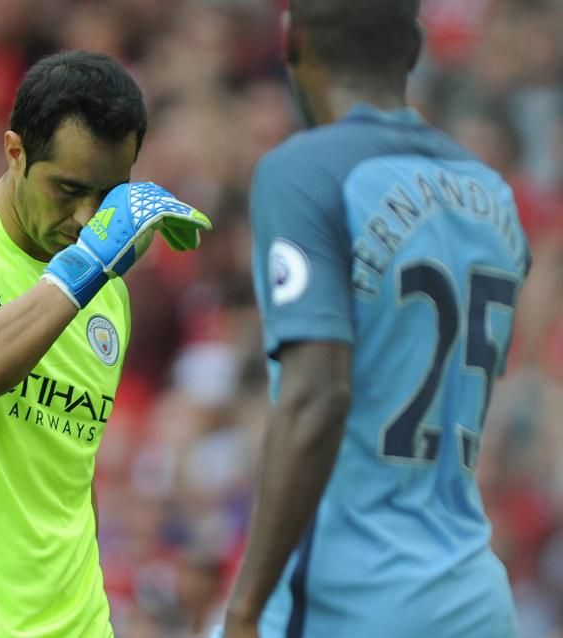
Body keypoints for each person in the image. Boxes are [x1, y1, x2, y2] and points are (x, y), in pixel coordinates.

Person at [0, 50, 210, 638]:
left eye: (108, 195)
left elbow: (67, 470)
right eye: (68, 189)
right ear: (15, 152)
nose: (86, 217)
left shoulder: (107, 295)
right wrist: (86, 267)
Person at [213, 1, 532, 637]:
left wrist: (245, 609)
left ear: (293, 40)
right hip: (474, 599)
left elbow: (318, 396)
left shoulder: (303, 170)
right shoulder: (492, 193)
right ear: (414, 49)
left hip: (349, 600)